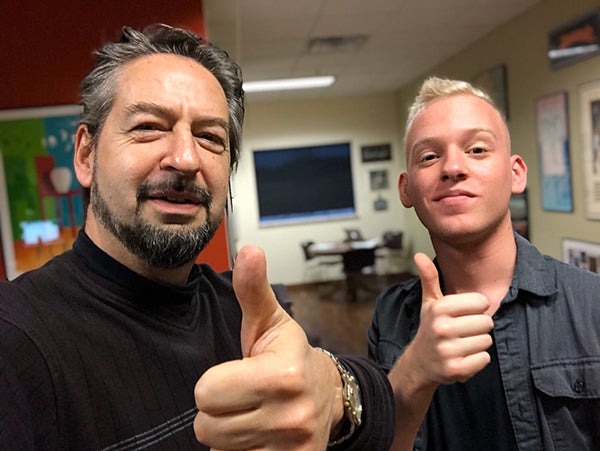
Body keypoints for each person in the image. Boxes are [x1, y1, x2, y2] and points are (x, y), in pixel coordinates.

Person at [0, 24, 394, 450]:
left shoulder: (245, 312)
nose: (186, 159)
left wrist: (333, 390)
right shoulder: (16, 339)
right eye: (149, 126)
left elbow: (382, 407)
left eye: (210, 137)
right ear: (86, 155)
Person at [368, 76, 600, 450]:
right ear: (406, 189)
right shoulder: (391, 315)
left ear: (516, 173)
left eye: (476, 149)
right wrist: (413, 374)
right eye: (429, 156)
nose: (453, 167)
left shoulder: (591, 304)